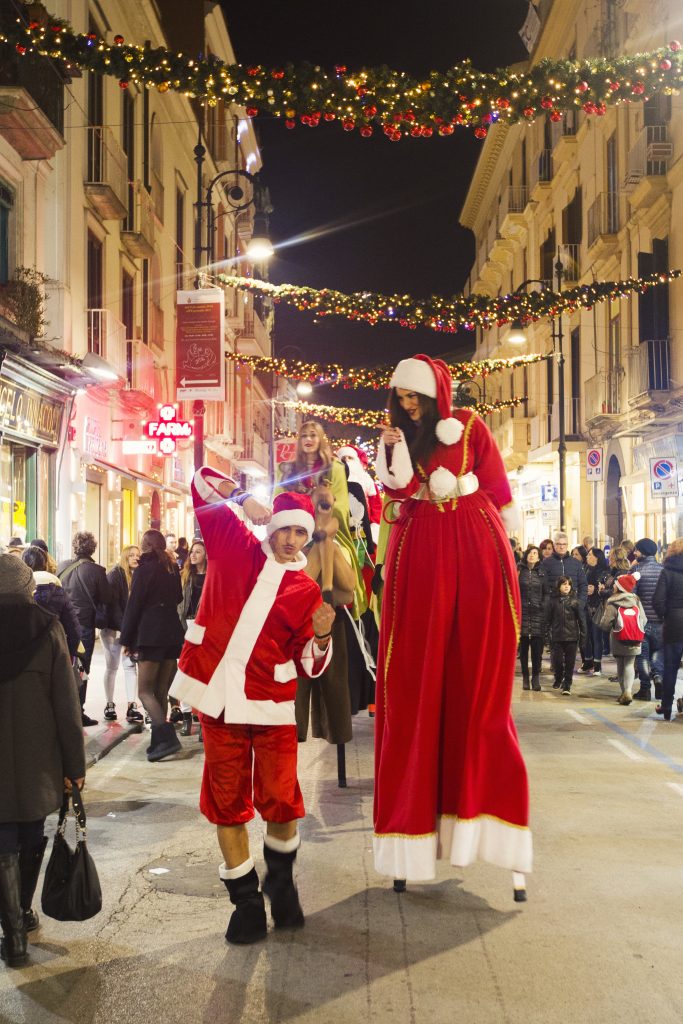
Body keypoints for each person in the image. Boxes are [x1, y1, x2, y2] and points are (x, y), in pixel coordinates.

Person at [373, 354, 531, 893]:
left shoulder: (468, 425)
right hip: (422, 546)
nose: (408, 406)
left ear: (434, 395)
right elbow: (396, 491)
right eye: (401, 398)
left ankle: (485, 825)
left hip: (476, 542)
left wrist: (503, 530)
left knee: (479, 687)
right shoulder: (399, 437)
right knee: (415, 683)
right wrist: (392, 448)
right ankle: (413, 835)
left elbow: (497, 485)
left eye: (414, 397)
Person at [168, 471, 335, 945]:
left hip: (270, 703)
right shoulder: (232, 543)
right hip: (219, 700)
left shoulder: (305, 590)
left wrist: (322, 637)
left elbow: (309, 665)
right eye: (285, 528)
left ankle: (281, 883)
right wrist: (244, 498)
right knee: (227, 803)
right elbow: (200, 481)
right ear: (271, 526)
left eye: (300, 532)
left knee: (282, 799)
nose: (291, 539)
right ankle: (244, 902)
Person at [0, 554, 85, 967]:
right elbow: (67, 704)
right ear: (27, 589)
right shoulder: (49, 628)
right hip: (38, 754)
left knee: (2, 837)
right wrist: (75, 766)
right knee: (32, 832)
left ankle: (13, 935)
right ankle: (22, 913)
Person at [119, 530, 185, 762]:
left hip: (150, 634)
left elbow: (134, 605)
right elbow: (178, 597)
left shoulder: (144, 569)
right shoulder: (171, 567)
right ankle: (159, 742)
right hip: (171, 632)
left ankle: (167, 738)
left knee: (145, 691)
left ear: (145, 545)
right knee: (161, 691)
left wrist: (126, 638)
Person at [57, 532, 112, 727]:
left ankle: (63, 711)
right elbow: (107, 598)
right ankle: (78, 712)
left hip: (62, 624)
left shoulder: (62, 566)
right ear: (93, 548)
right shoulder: (97, 571)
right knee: (82, 669)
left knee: (63, 668)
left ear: (75, 546)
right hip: (84, 627)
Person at [98, 546, 143, 725]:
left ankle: (132, 705)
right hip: (112, 629)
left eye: (138, 555)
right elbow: (113, 607)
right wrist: (125, 630)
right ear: (124, 557)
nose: (135, 558)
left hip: (129, 629)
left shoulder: (139, 575)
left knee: (130, 666)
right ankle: (109, 704)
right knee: (112, 666)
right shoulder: (115, 575)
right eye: (131, 555)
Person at [22, 546, 81, 659]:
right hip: (53, 654)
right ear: (45, 564)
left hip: (25, 658)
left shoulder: (19, 593)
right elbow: (74, 631)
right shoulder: (59, 592)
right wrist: (68, 655)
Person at [599, 573, 646, 705]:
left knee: (620, 665)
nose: (614, 585)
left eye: (616, 584)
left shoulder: (612, 601)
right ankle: (628, 691)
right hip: (635, 638)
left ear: (619, 587)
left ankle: (623, 693)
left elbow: (605, 624)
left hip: (618, 638)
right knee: (630, 664)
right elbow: (644, 619)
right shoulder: (636, 600)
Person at [177, 540, 208, 736]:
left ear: (206, 555)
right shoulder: (185, 575)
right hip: (186, 625)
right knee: (185, 672)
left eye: (198, 552)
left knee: (203, 674)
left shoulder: (212, 576)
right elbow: (178, 604)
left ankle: (203, 719)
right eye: (192, 552)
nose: (193, 555)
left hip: (204, 627)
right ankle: (186, 715)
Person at [652, 539, 683, 720]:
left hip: (673, 624)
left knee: (670, 668)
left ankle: (666, 706)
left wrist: (666, 615)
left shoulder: (667, 571)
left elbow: (657, 600)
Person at [631, 538, 664, 702]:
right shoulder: (663, 570)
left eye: (636, 550)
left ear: (643, 552)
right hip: (661, 622)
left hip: (642, 622)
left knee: (642, 656)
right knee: (657, 654)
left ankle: (645, 690)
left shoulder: (637, 570)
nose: (634, 553)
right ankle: (658, 677)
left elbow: (631, 596)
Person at [547, 576, 585, 694]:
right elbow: (548, 620)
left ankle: (567, 685)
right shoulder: (552, 601)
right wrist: (547, 636)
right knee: (557, 661)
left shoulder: (575, 602)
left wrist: (583, 637)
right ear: (559, 586)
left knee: (570, 663)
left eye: (568, 584)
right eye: (564, 584)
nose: (567, 586)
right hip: (557, 637)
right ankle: (558, 678)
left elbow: (582, 621)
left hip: (572, 637)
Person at [517, 545, 548, 691]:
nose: (532, 555)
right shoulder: (519, 570)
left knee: (537, 648)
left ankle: (535, 677)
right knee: (523, 648)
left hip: (538, 613)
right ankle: (525, 676)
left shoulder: (542, 572)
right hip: (522, 613)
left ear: (538, 557)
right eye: (530, 552)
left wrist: (543, 605)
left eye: (535, 553)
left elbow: (547, 592)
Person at [543, 533, 588, 608]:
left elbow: (583, 585)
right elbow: (543, 586)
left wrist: (580, 603)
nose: (561, 547)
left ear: (567, 545)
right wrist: (547, 603)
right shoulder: (546, 563)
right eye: (559, 544)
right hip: (553, 608)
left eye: (564, 544)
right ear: (554, 545)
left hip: (573, 607)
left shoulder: (576, 563)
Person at [585, 547, 610, 675]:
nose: (587, 557)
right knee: (586, 636)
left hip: (598, 607)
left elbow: (607, 589)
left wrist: (596, 590)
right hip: (586, 606)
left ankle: (597, 666)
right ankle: (587, 662)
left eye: (590, 554)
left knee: (596, 636)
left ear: (597, 557)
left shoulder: (604, 571)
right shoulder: (586, 569)